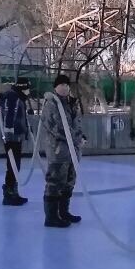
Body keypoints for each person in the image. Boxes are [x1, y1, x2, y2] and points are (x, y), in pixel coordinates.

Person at [42, 74, 87, 228]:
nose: (65, 87)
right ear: (55, 87)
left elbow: (77, 123)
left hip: (73, 150)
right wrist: (76, 138)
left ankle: (64, 211)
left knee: (69, 181)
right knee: (55, 182)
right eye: (61, 84)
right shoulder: (51, 104)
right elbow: (57, 128)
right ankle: (52, 216)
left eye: (67, 85)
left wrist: (81, 136)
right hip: (58, 150)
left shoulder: (72, 103)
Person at [0, 77, 32, 206]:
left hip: (15, 137)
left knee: (15, 165)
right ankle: (9, 194)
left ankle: (13, 192)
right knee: (12, 165)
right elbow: (10, 118)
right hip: (12, 138)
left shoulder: (17, 98)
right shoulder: (13, 98)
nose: (29, 92)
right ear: (22, 88)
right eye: (27, 88)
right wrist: (9, 136)